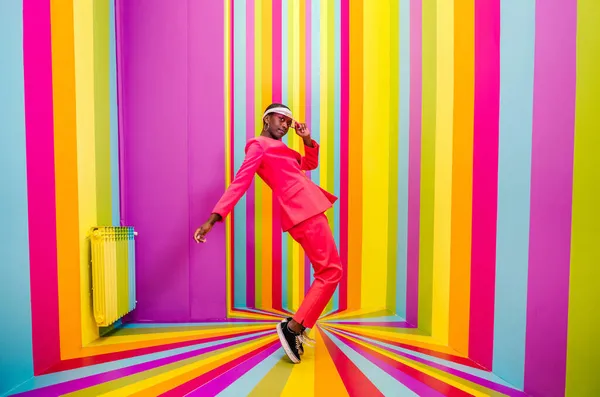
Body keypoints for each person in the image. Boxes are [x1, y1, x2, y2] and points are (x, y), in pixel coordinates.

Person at [194, 103, 343, 364]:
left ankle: (296, 326)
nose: (285, 125)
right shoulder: (258, 146)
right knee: (330, 272)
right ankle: (293, 328)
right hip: (302, 210)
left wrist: (306, 139)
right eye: (280, 119)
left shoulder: (282, 149)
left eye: (288, 121)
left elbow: (309, 164)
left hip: (308, 207)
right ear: (266, 120)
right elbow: (240, 182)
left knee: (329, 271)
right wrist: (213, 218)